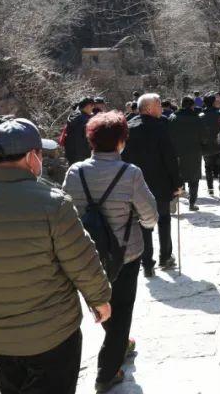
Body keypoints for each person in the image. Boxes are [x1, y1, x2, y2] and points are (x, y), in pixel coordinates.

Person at [0, 119, 112, 394]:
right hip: (54, 334)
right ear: (31, 157)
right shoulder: (53, 203)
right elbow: (82, 262)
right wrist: (99, 299)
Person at [63, 112, 158, 392]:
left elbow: (66, 213)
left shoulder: (75, 172)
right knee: (122, 309)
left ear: (91, 141)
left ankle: (120, 344)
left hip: (87, 255)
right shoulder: (130, 173)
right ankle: (107, 371)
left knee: (102, 303)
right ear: (121, 141)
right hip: (126, 253)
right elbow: (150, 216)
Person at [122, 93, 182, 275]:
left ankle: (147, 263)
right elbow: (170, 158)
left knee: (143, 223)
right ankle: (165, 256)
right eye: (158, 104)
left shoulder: (128, 128)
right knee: (164, 219)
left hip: (136, 184)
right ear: (149, 108)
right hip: (161, 183)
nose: (161, 107)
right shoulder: (160, 127)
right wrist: (177, 183)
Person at [168, 96, 205, 211]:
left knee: (177, 177)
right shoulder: (198, 119)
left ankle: (174, 199)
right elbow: (203, 136)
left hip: (177, 152)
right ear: (193, 106)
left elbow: (168, 135)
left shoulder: (173, 117)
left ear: (181, 104)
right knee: (194, 179)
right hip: (194, 152)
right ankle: (192, 203)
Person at [199, 94, 220, 200]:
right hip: (219, 144)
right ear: (214, 102)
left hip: (206, 145)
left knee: (208, 167)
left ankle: (210, 189)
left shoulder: (200, 115)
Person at [61, 97, 95, 165]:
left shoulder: (73, 115)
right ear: (87, 106)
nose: (93, 107)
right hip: (83, 154)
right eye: (92, 105)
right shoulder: (85, 120)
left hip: (70, 152)